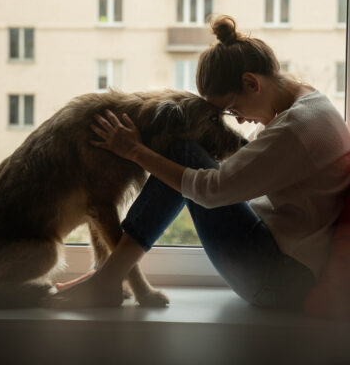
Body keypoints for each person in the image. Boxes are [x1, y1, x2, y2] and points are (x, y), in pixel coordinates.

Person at [56, 15, 350, 310]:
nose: (240, 120)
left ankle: (109, 278)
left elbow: (211, 191)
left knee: (182, 154)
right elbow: (242, 171)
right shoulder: (309, 102)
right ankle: (109, 275)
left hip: (277, 278)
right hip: (282, 266)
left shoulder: (297, 127)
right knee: (186, 159)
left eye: (233, 109)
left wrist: (134, 151)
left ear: (251, 83)